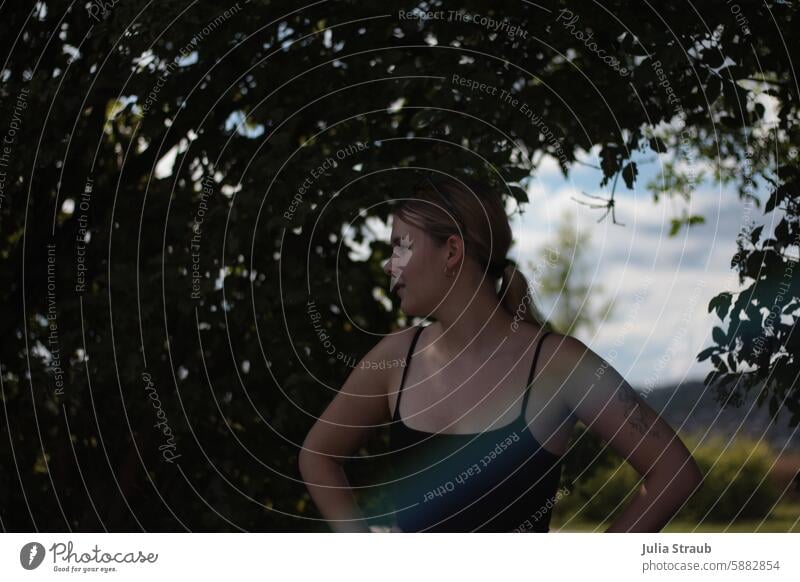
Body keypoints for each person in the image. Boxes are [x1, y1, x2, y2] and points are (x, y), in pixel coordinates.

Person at [299, 174, 702, 532]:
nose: (391, 266)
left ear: (451, 251)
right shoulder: (393, 360)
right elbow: (317, 456)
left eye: (401, 247)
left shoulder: (558, 364)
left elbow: (674, 472)